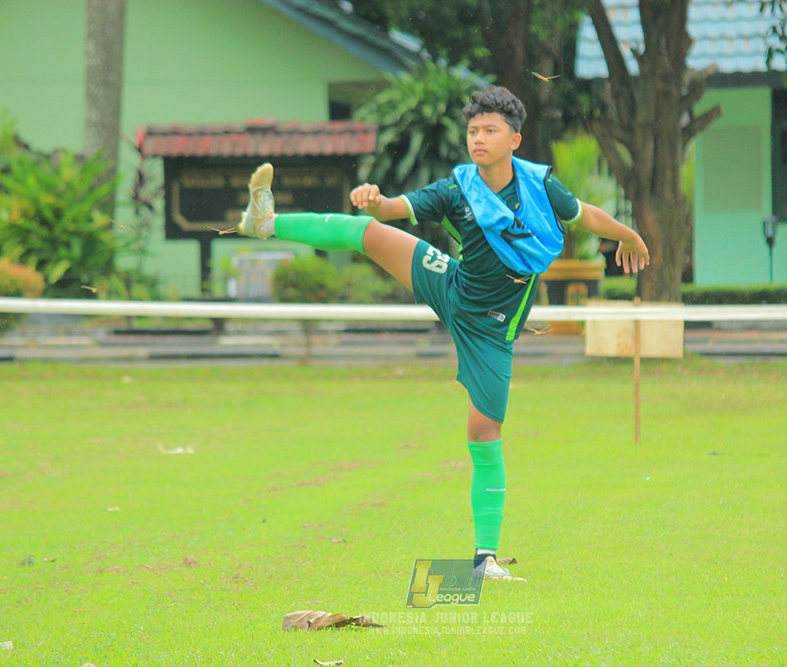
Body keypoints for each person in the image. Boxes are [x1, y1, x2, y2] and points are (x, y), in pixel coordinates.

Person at [237, 86, 649, 581]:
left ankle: (483, 560)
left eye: (490, 130)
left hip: (491, 331)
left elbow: (585, 215)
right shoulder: (457, 188)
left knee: (483, 434)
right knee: (366, 233)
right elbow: (392, 209)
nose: (479, 138)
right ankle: (266, 221)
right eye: (473, 131)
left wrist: (628, 233)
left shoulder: (541, 186)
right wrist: (374, 200)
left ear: (515, 139)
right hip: (451, 284)